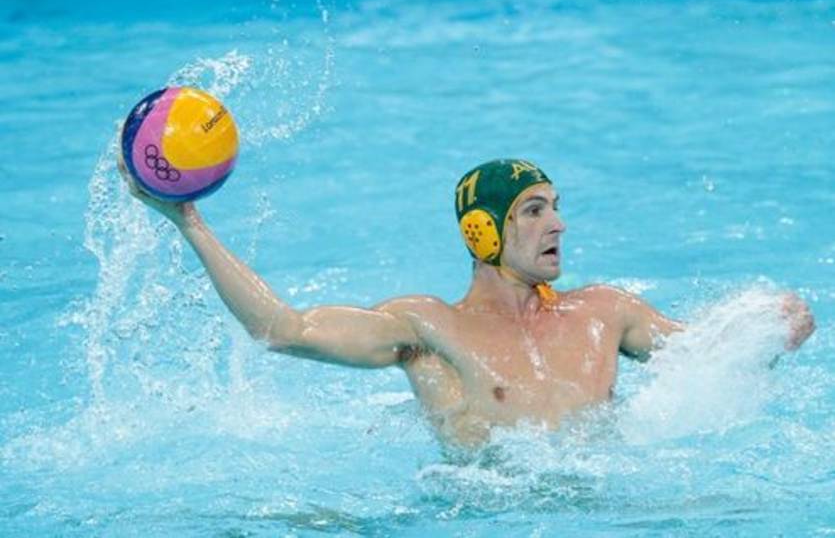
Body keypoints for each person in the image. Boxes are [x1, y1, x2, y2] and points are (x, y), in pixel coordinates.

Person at [118, 157, 816, 447]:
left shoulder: (605, 312)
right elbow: (283, 328)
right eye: (534, 210)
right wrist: (190, 222)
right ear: (483, 230)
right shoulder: (427, 328)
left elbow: (702, 359)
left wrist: (767, 333)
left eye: (557, 207)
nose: (558, 224)